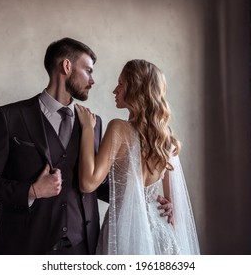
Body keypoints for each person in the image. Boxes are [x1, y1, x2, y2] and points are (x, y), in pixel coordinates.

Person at [0, 38, 172, 255]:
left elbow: (93, 183)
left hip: (84, 249)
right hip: (26, 246)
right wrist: (32, 191)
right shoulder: (11, 117)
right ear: (66, 66)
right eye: (88, 71)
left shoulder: (93, 123)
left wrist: (145, 199)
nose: (93, 80)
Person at [75, 59, 200, 254]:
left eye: (121, 84)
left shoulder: (119, 128)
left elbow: (88, 183)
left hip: (124, 230)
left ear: (136, 89)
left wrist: (87, 129)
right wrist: (169, 206)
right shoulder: (165, 139)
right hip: (160, 231)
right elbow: (172, 204)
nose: (115, 90)